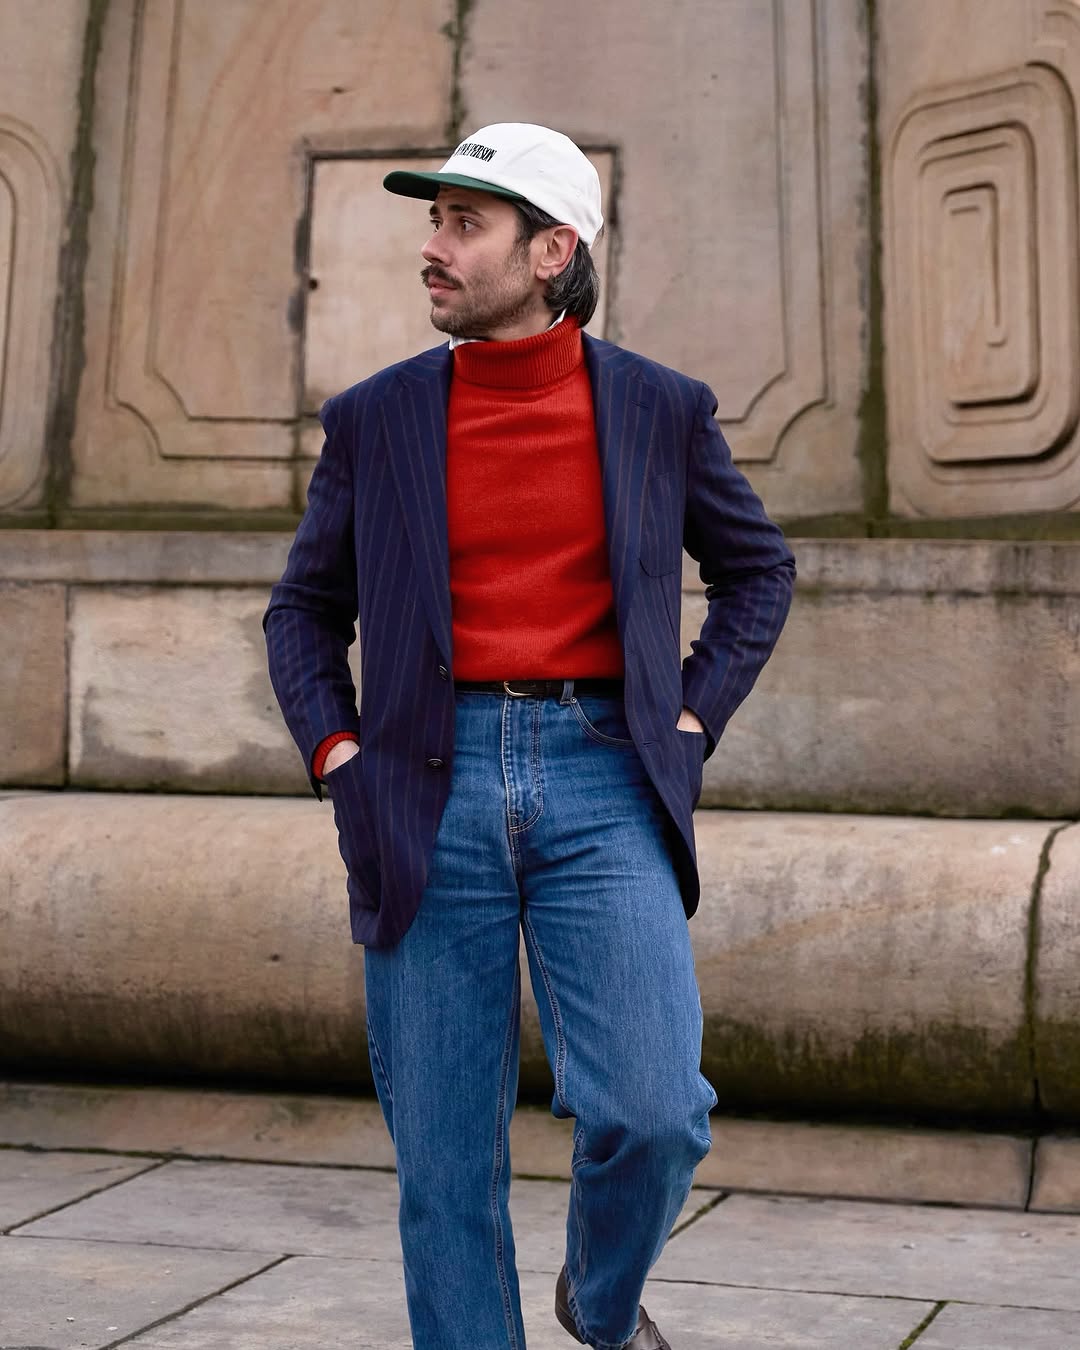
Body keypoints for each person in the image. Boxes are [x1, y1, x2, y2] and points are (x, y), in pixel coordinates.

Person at [264, 122, 795, 1350]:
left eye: (466, 223)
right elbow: (303, 610)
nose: (431, 248)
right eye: (433, 220)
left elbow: (758, 570)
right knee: (447, 1169)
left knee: (657, 1112)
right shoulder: (376, 418)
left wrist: (694, 711)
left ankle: (599, 1307)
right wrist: (337, 757)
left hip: (604, 779)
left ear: (552, 250)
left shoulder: (661, 408)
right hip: (419, 788)